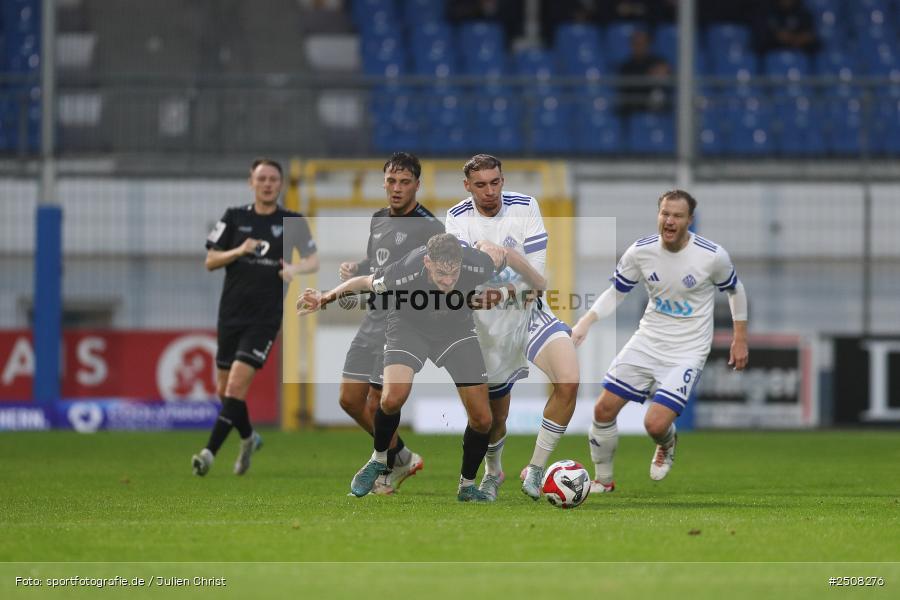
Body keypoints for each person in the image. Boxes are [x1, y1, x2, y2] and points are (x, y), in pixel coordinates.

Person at [298, 233, 507, 502]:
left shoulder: (476, 264)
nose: (448, 280)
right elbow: (362, 282)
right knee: (392, 397)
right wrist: (324, 297)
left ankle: (467, 487)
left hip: (455, 330)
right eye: (441, 273)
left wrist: (489, 255)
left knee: (483, 419)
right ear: (427, 262)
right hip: (409, 327)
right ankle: (379, 459)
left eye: (453, 273)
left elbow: (501, 258)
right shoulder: (404, 270)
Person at [571, 190, 749, 493]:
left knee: (654, 424)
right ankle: (603, 481)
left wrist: (740, 338)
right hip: (647, 341)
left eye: (677, 215)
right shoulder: (640, 252)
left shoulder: (712, 256)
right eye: (665, 213)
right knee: (602, 411)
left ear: (689, 221)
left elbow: (735, 290)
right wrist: (585, 323)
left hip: (687, 350)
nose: (669, 220)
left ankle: (667, 442)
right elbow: (616, 291)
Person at [444, 154, 580, 501]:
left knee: (568, 380)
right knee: (492, 419)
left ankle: (535, 469)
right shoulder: (456, 219)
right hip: (489, 327)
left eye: (495, 182)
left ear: (502, 180)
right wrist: (477, 295)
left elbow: (537, 283)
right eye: (481, 185)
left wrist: (509, 267)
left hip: (530, 312)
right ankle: (493, 473)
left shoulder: (526, 207)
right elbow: (459, 282)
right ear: (467, 186)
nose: (490, 191)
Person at [192, 158, 319, 477]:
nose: (267, 184)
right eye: (261, 178)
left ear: (280, 184)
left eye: (273, 179)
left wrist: (295, 268)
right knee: (224, 392)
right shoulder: (234, 218)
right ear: (251, 182)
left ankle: (208, 453)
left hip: (264, 318)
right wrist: (239, 250)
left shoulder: (291, 220)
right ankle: (248, 438)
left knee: (235, 387)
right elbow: (210, 260)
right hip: (231, 315)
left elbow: (313, 260)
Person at [336, 152, 444, 495]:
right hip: (373, 314)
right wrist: (359, 267)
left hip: (402, 319)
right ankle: (402, 456)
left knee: (377, 402)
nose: (396, 189)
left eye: (404, 182)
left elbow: (437, 276)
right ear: (384, 182)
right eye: (391, 182)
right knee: (349, 399)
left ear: (417, 184)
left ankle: (383, 462)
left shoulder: (430, 227)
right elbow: (377, 261)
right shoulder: (378, 219)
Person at [617, 30, 672, 118]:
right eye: (636, 43)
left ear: (648, 44)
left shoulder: (658, 62)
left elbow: (667, 78)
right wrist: (649, 76)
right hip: (633, 108)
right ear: (631, 45)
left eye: (642, 43)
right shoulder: (626, 66)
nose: (639, 46)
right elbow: (626, 89)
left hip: (654, 105)